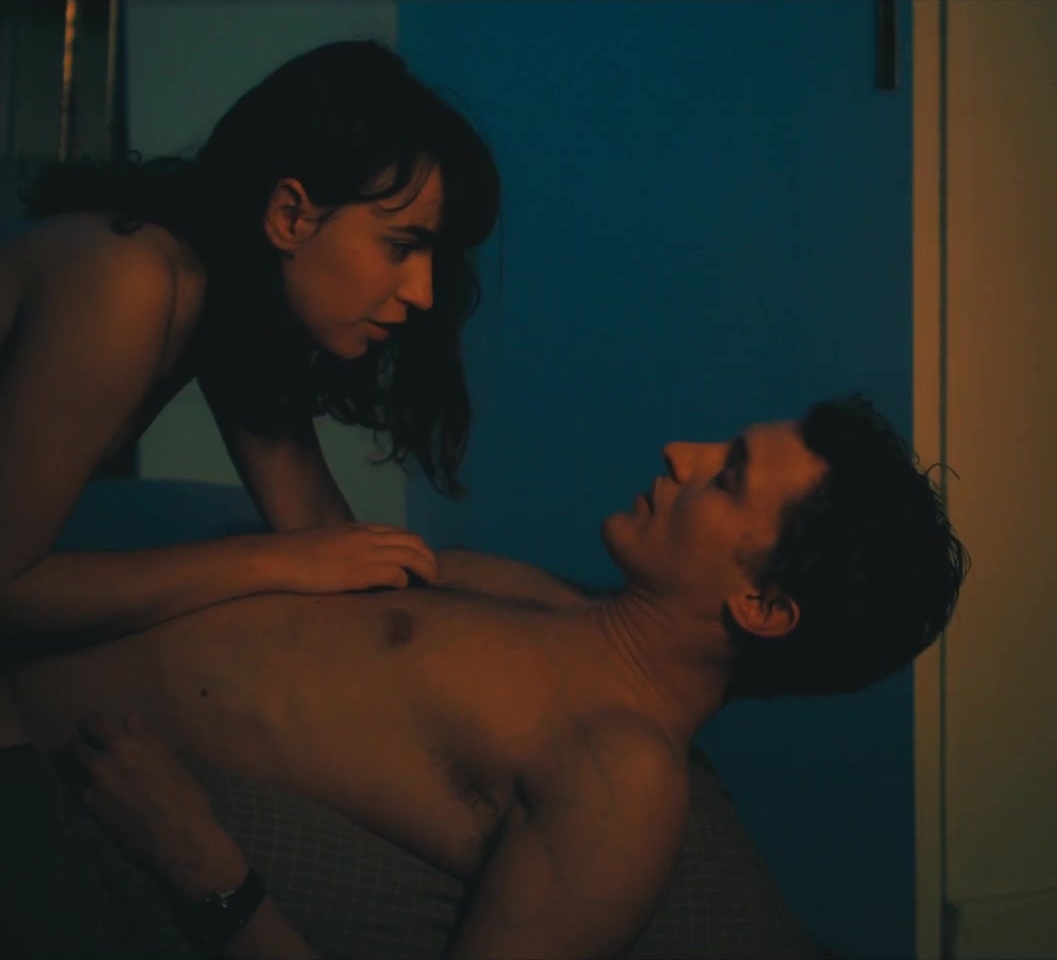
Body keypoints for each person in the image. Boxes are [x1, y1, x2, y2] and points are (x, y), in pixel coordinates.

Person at [1, 394, 968, 959]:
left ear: (761, 604)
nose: (681, 453)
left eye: (727, 478)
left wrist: (205, 870)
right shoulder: (548, 597)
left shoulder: (624, 778)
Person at [0, 39, 501, 663]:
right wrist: (271, 561)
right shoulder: (128, 277)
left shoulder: (233, 303)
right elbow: (6, 585)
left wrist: (546, 608)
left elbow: (325, 535)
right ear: (290, 215)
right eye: (401, 246)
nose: (423, 293)